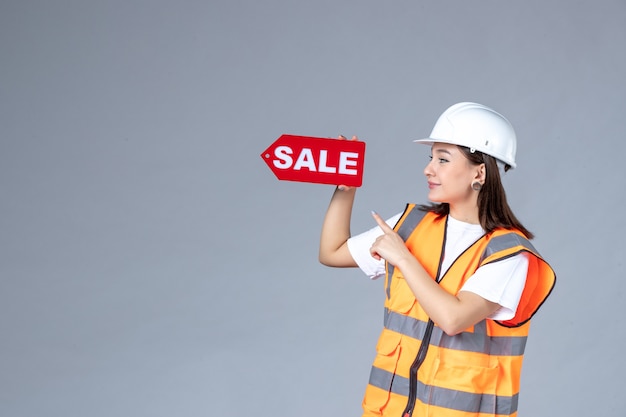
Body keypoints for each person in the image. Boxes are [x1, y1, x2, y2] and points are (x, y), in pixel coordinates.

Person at [318, 102, 556, 417]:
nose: (429, 169)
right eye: (430, 158)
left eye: (443, 159)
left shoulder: (509, 253)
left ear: (479, 172)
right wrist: (344, 190)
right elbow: (331, 252)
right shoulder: (411, 224)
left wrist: (404, 259)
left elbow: (453, 318)